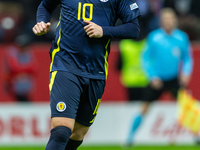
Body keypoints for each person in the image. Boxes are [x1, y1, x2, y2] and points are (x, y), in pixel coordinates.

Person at [32, 0, 141, 150]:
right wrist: (41, 22)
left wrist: (103, 31)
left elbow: (134, 29)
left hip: (96, 71)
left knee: (78, 134)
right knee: (62, 130)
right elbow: (45, 5)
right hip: (66, 64)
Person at [126, 8, 193, 146]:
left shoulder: (182, 37)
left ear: (175, 21)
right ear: (161, 21)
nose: (168, 22)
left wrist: (186, 73)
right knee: (144, 107)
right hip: (157, 80)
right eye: (165, 19)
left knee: (188, 106)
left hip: (174, 79)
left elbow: (187, 58)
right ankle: (129, 139)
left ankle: (196, 136)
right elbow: (145, 59)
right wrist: (152, 76)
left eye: (170, 19)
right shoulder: (154, 37)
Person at [2, 34, 37, 102]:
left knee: (26, 103)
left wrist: (22, 69)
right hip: (13, 85)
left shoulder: (28, 53)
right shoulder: (12, 52)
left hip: (25, 85)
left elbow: (34, 68)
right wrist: (26, 69)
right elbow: (14, 67)